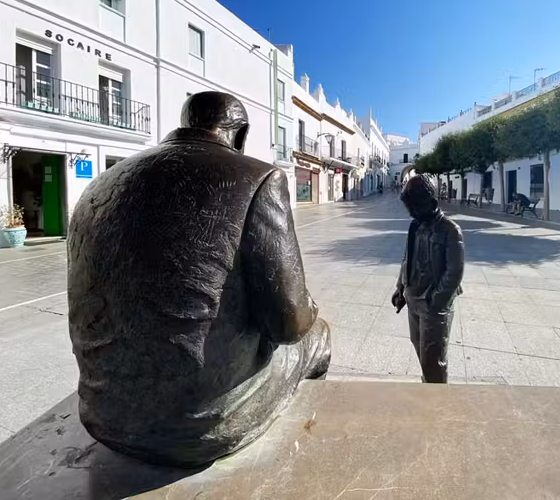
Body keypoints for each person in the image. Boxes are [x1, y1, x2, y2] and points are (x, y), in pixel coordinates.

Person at [68, 91, 331, 467]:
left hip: (101, 413)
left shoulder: (100, 184)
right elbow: (289, 324)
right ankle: (297, 461)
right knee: (319, 335)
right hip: (195, 429)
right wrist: (308, 307)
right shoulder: (261, 178)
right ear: (239, 135)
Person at [392, 176, 465, 383]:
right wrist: (400, 288)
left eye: (415, 207)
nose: (411, 212)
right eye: (409, 208)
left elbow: (454, 272)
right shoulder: (415, 226)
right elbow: (408, 258)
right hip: (413, 298)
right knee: (420, 348)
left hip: (434, 304)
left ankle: (437, 401)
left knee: (434, 360)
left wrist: (435, 301)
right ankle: (429, 385)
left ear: (432, 204)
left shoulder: (451, 230)